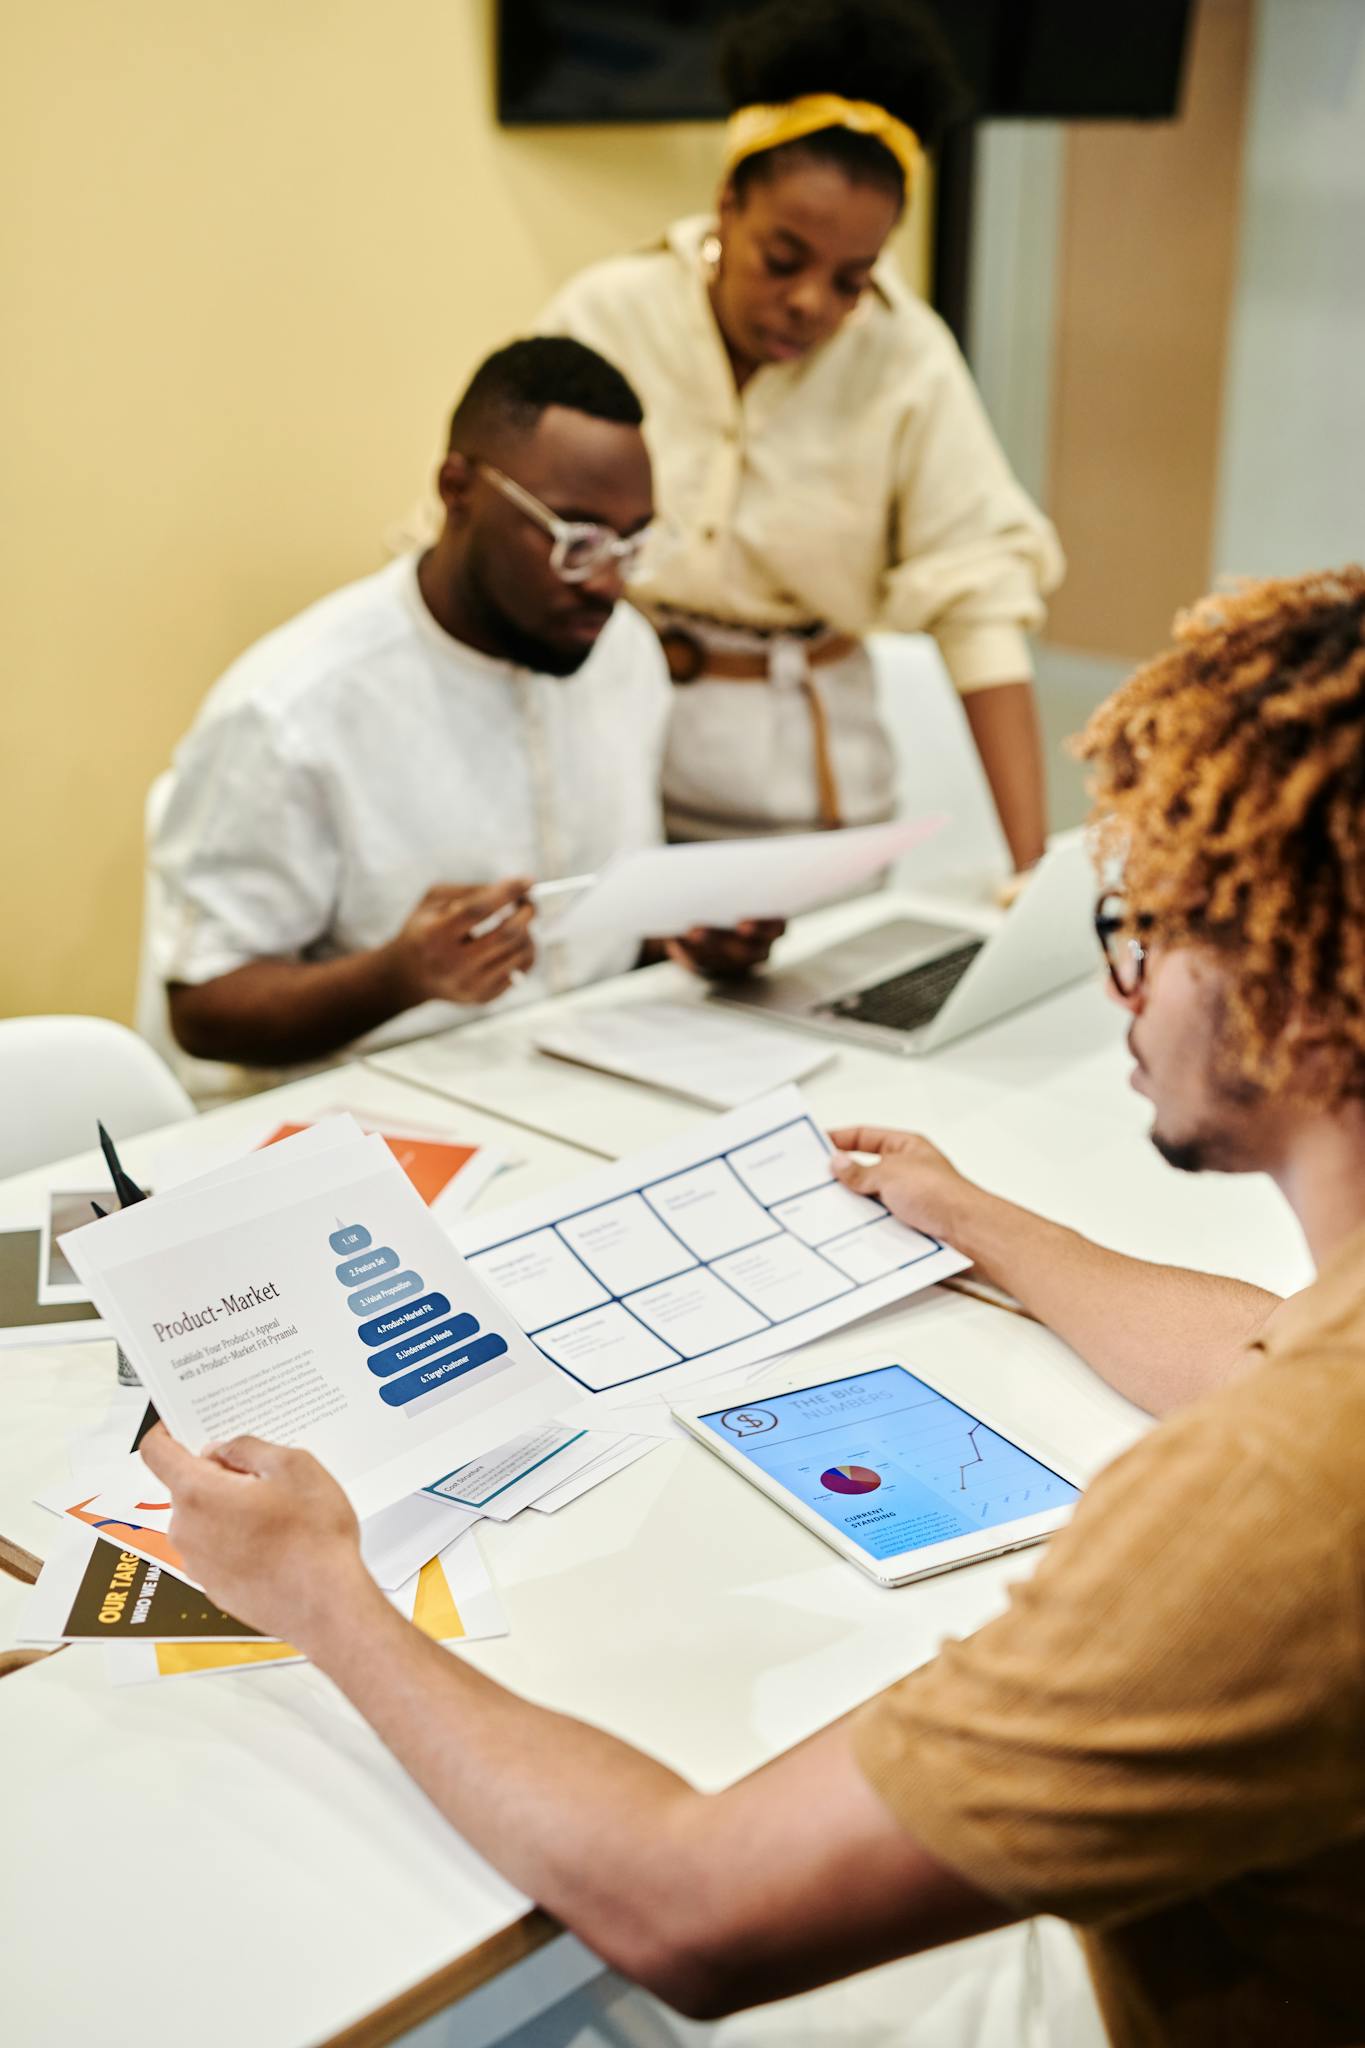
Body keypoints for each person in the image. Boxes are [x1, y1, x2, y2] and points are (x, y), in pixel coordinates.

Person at [144, 567, 1365, 2046]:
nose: (1126, 985)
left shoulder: (1272, 1517)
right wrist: (976, 1221)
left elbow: (694, 1907)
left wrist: (320, 1594)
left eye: (1149, 931)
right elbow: (1261, 1352)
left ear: (1300, 988)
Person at [155, 338, 778, 1076]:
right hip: (384, 1110)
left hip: (605, 1064)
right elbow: (203, 1009)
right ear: (457, 489)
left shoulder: (623, 654)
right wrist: (397, 977)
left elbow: (581, 936)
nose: (607, 583)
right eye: (574, 540)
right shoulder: (293, 709)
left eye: (630, 543)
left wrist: (686, 931)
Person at [537, 0, 1063, 866]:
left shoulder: (904, 356)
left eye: (851, 280)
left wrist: (1029, 870)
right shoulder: (610, 314)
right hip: (610, 777)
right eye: (781, 260)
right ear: (726, 204)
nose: (810, 303)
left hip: (805, 814)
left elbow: (980, 602)